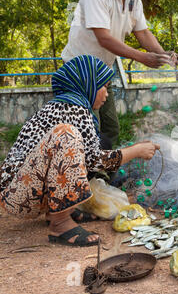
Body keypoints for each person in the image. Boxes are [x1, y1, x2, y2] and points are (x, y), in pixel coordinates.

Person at [0, 55, 160, 247]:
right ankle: (60, 223)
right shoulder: (73, 107)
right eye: (104, 87)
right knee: (66, 135)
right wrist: (136, 151)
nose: (107, 95)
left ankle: (58, 210)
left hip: (24, 190)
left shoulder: (68, 105)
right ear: (88, 83)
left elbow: (89, 156)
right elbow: (94, 161)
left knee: (100, 142)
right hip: (18, 196)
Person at [61, 0, 178, 146]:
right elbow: (104, 38)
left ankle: (105, 167)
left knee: (110, 129)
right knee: (89, 130)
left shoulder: (134, 0)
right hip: (80, 71)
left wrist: (163, 55)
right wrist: (143, 57)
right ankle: (89, 168)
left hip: (102, 73)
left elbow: (143, 33)